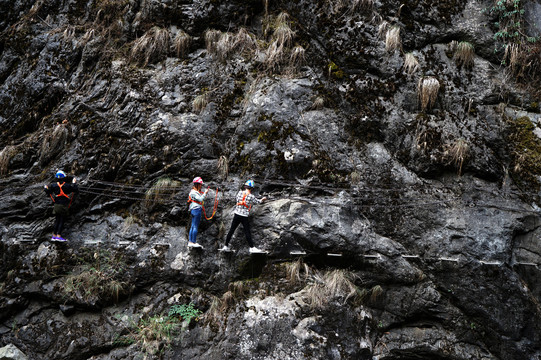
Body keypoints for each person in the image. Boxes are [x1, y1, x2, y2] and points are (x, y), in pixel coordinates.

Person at [220, 180, 267, 253]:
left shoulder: (239, 193)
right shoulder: (251, 196)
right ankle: (252, 247)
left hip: (237, 214)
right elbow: (258, 202)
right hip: (244, 216)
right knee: (247, 231)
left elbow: (237, 200)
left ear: (245, 186)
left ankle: (225, 246)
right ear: (251, 188)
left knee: (231, 230)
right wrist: (262, 199)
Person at [44, 170, 78, 242]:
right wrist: (74, 183)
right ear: (64, 177)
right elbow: (75, 189)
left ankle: (54, 236)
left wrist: (45, 188)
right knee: (61, 221)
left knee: (57, 220)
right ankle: (59, 236)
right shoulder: (66, 185)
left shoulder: (53, 185)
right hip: (63, 205)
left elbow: (48, 191)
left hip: (56, 205)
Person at [187, 177, 208, 248]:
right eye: (200, 184)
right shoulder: (194, 192)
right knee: (195, 226)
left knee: (192, 226)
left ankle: (190, 241)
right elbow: (200, 199)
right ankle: (193, 242)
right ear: (197, 184)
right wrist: (205, 193)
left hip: (193, 209)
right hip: (197, 209)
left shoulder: (192, 191)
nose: (201, 186)